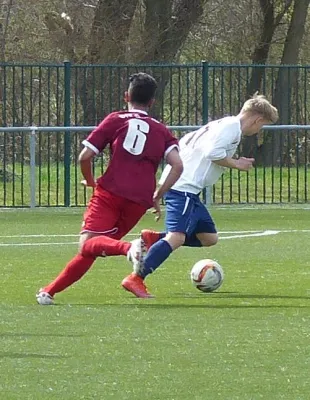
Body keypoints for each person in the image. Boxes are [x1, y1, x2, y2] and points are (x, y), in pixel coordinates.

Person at [36, 72, 183, 305]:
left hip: (111, 191)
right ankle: (49, 291)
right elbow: (177, 165)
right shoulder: (161, 129)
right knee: (94, 247)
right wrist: (158, 195)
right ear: (152, 102)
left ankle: (130, 248)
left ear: (127, 96)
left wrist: (91, 181)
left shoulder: (116, 119)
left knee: (88, 243)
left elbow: (85, 157)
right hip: (139, 200)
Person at [121, 93, 279, 298]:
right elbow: (212, 153)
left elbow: (188, 144)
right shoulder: (231, 128)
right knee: (176, 237)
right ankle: (137, 277)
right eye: (262, 125)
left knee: (208, 238)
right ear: (257, 119)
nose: (259, 130)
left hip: (188, 189)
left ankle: (155, 239)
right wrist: (237, 163)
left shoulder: (221, 124)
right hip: (183, 187)